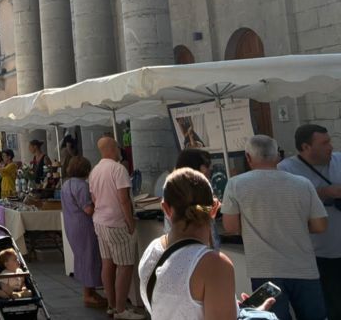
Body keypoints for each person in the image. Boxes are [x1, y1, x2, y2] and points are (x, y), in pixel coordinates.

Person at [138, 168, 275, 320]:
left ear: (166, 209)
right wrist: (257, 313)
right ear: (214, 208)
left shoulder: (151, 251)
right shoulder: (215, 264)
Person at [222, 135, 328, 320]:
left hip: (264, 269)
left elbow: (230, 226)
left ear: (248, 157)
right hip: (303, 267)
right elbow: (320, 226)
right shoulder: (303, 184)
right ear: (278, 156)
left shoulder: (235, 184)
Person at [279, 124, 341, 319]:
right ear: (306, 147)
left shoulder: (339, 160)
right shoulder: (286, 170)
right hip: (315, 254)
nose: (330, 146)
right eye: (324, 143)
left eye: (329, 141)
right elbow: (284, 204)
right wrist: (324, 193)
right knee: (330, 308)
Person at [89, 136, 142, 319]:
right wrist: (130, 222)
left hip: (100, 221)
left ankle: (112, 305)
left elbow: (95, 199)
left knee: (107, 263)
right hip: (116, 222)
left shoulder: (95, 170)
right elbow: (124, 199)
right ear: (113, 148)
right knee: (125, 266)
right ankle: (121, 309)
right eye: (118, 147)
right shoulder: (118, 169)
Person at [61, 156, 107, 308]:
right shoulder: (82, 186)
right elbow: (88, 209)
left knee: (83, 258)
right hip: (84, 226)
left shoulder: (66, 184)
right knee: (90, 258)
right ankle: (88, 294)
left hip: (71, 225)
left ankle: (90, 291)